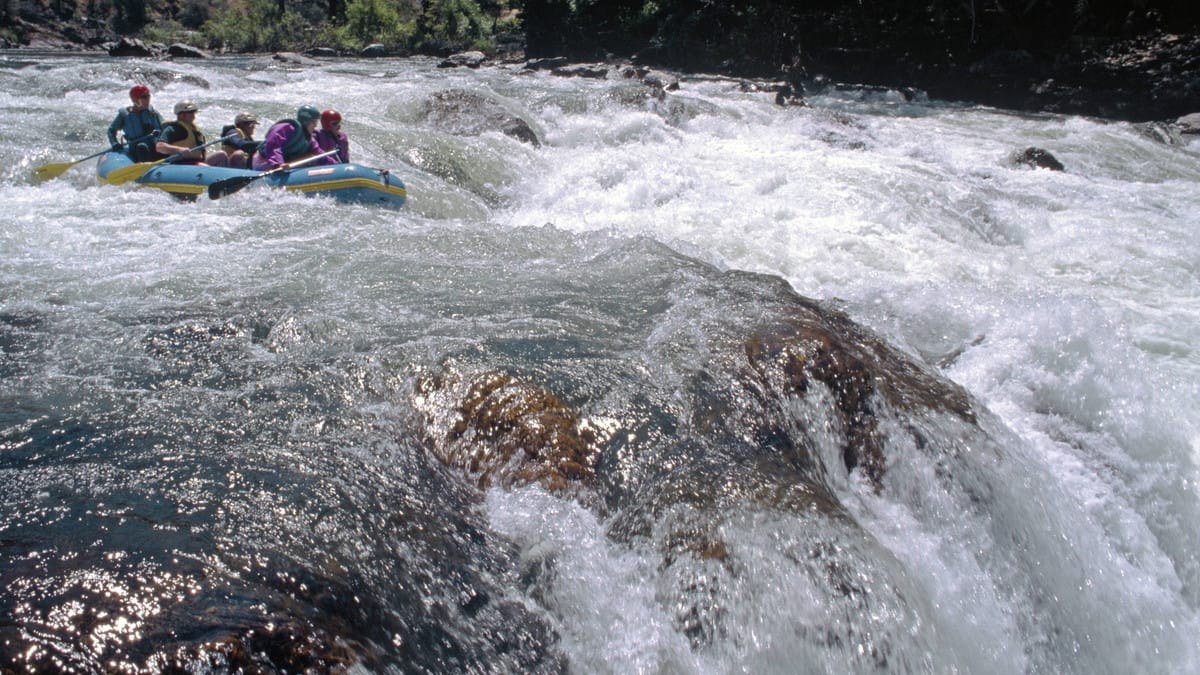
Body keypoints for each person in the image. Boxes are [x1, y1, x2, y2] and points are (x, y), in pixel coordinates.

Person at [252, 105, 336, 171]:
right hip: (264, 160)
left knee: (310, 157)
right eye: (313, 122)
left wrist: (337, 166)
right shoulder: (286, 128)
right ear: (306, 121)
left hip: (283, 163)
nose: (315, 126)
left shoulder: (309, 139)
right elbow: (273, 146)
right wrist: (278, 164)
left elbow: (319, 154)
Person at [154, 100, 231, 167]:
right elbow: (159, 147)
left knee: (222, 155)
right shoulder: (173, 129)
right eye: (190, 112)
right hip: (182, 163)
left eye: (194, 112)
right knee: (205, 166)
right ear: (182, 115)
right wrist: (179, 150)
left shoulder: (194, 129)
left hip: (197, 161)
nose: (194, 115)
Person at [107, 84, 163, 162]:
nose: (148, 100)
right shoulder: (124, 115)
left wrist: (160, 133)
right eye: (145, 97)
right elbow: (111, 130)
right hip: (136, 148)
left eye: (149, 96)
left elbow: (165, 125)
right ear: (135, 100)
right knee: (141, 147)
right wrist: (114, 143)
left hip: (155, 145)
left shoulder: (152, 112)